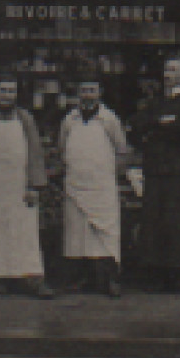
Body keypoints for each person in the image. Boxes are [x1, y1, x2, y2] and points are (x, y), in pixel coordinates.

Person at [0, 77, 53, 299]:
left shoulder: (25, 119)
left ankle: (32, 279)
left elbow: (35, 153)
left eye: (11, 91)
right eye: (3, 90)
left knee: (24, 234)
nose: (7, 95)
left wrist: (34, 185)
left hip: (20, 185)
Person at [132, 55, 180, 292]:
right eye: (166, 70)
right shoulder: (155, 102)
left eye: (173, 70)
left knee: (178, 223)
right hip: (155, 170)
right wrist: (164, 123)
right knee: (154, 222)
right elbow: (138, 125)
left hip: (179, 172)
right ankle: (157, 275)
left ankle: (179, 275)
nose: (167, 75)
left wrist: (157, 127)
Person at [58, 78, 131, 297]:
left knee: (105, 235)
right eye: (84, 90)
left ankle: (110, 281)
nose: (88, 95)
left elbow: (122, 151)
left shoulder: (109, 120)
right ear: (78, 93)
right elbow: (62, 149)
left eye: (92, 90)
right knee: (77, 236)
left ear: (100, 92)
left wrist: (110, 176)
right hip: (75, 187)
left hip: (102, 187)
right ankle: (79, 280)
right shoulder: (69, 120)